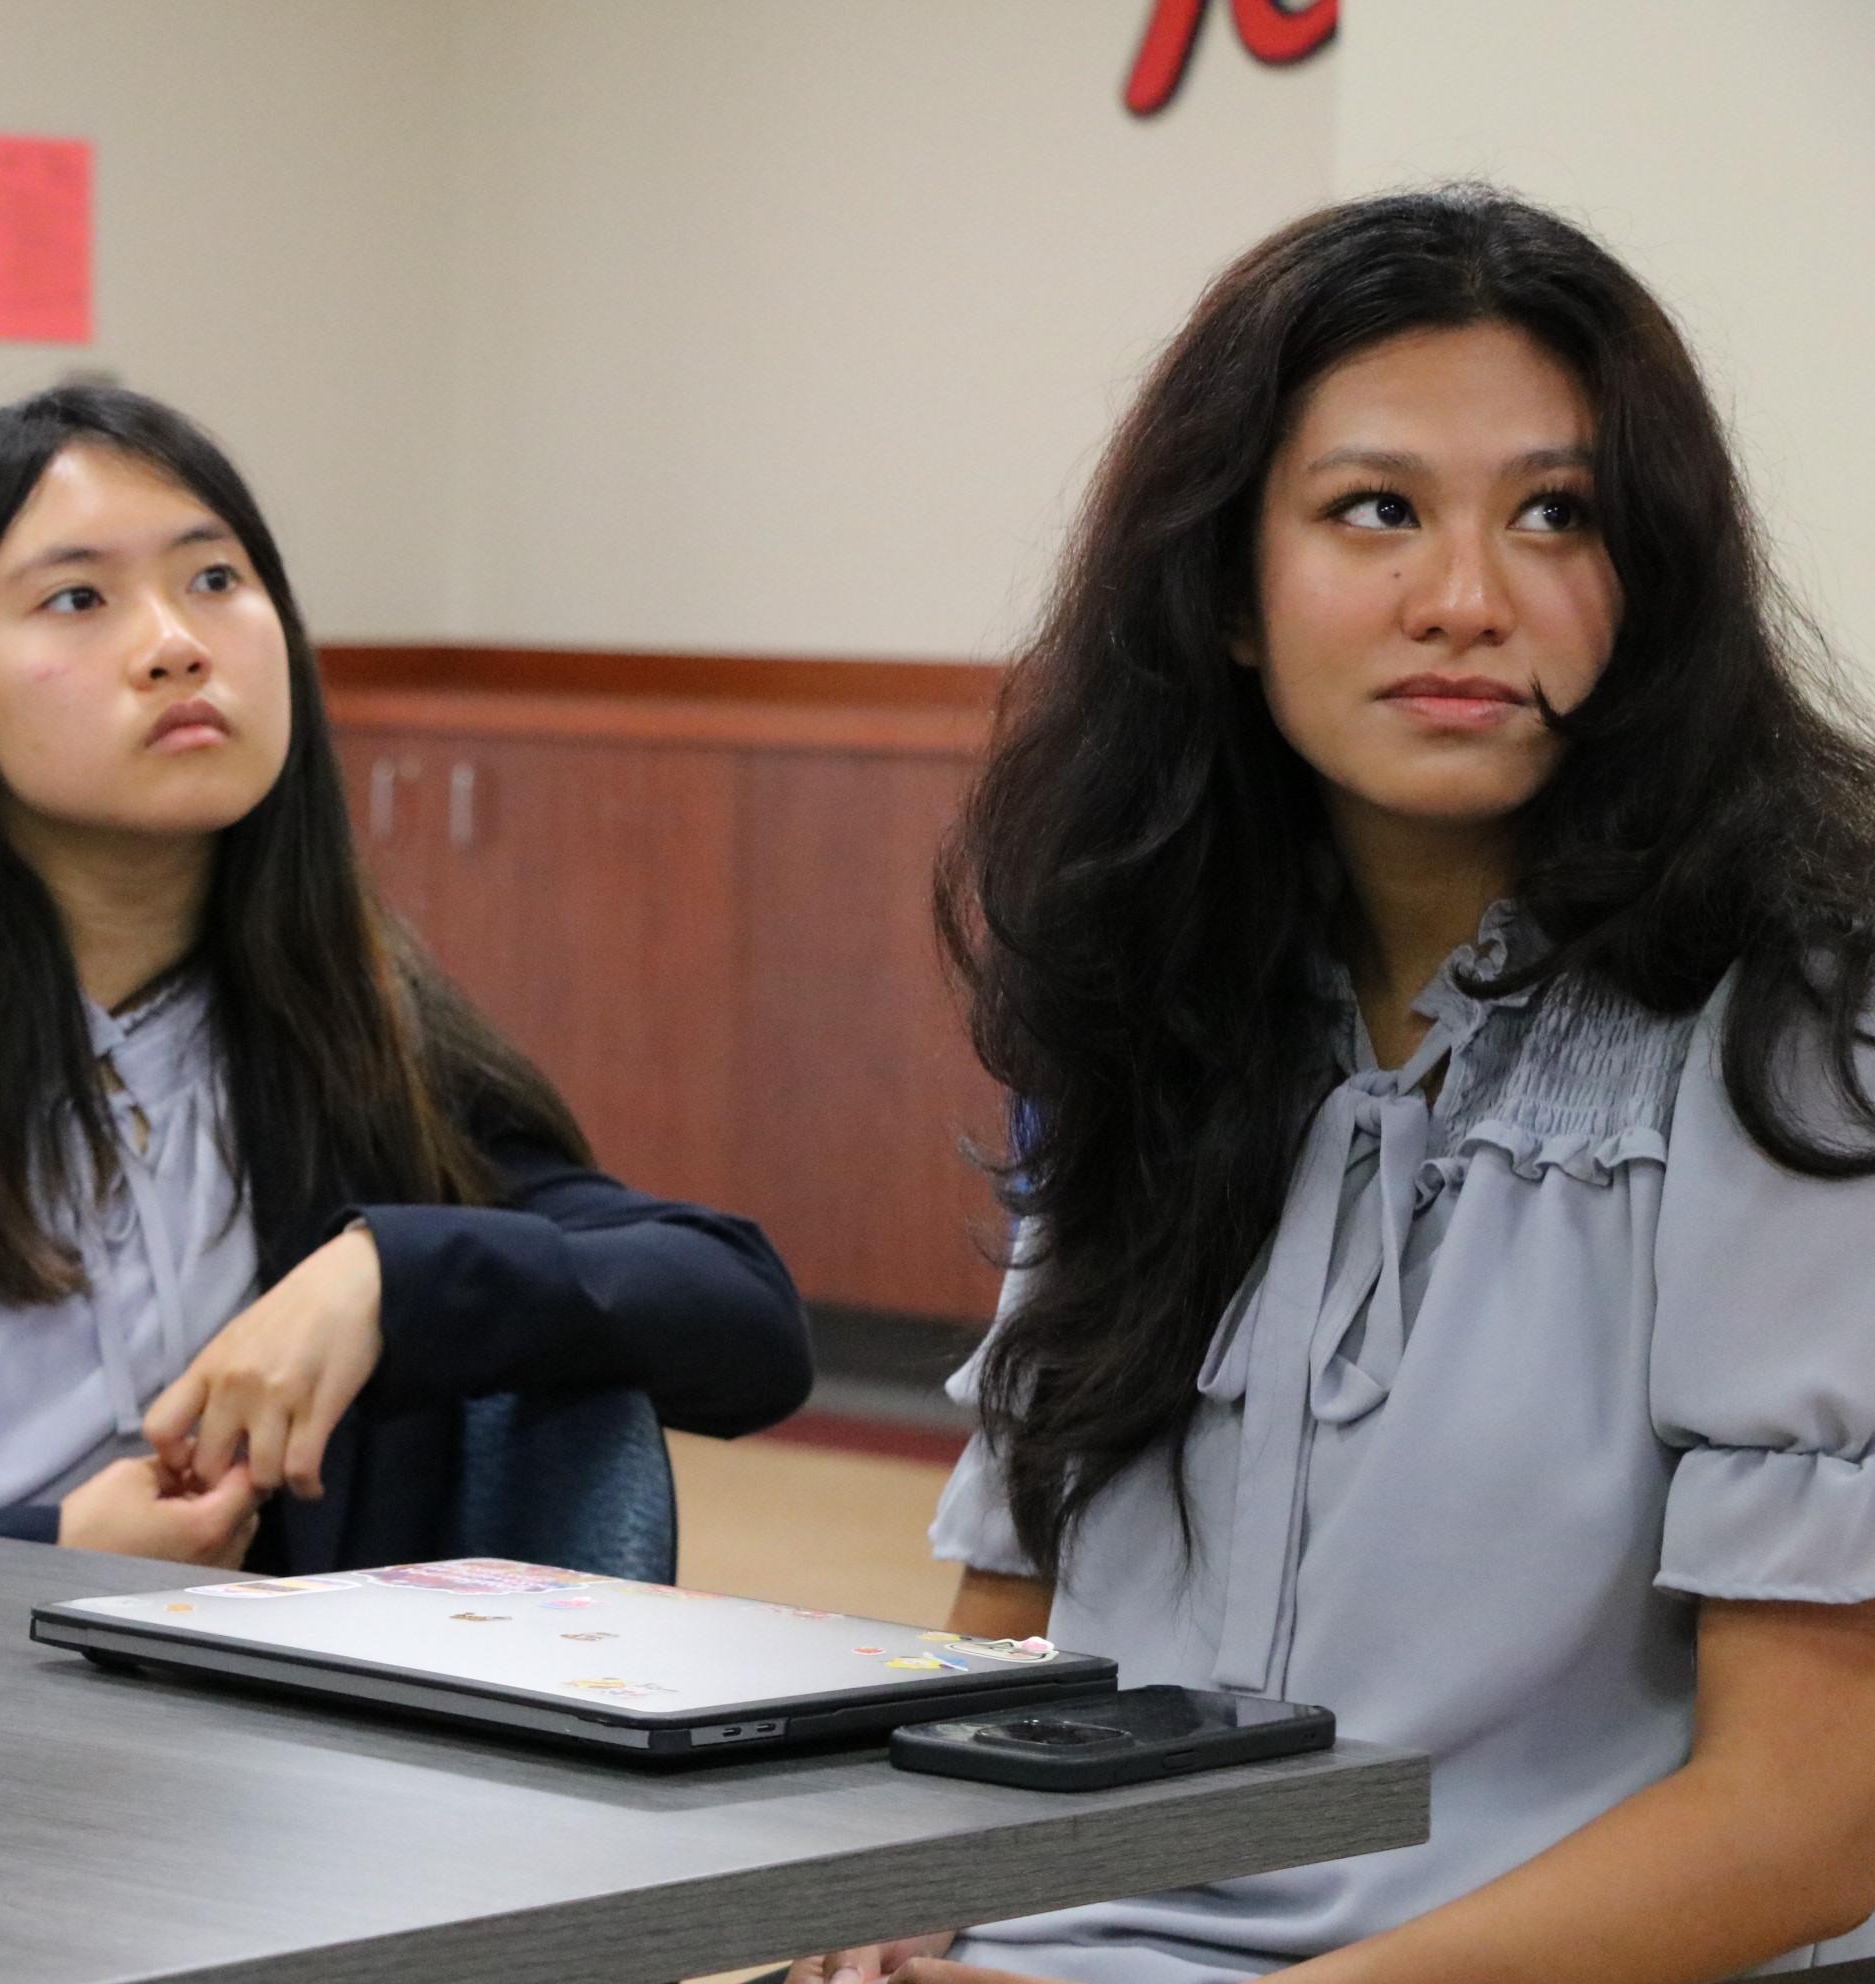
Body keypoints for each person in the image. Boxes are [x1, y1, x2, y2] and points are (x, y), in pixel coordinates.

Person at [793, 186, 1875, 1983]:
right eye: (1375, 510)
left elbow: (1808, 1819)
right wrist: (878, 1908)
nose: (1464, 598)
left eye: (1557, 514)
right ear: (1227, 585)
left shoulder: (1795, 1028)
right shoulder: (1162, 981)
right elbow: (1014, 1608)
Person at [0, 384, 812, 1567]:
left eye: (216, 581)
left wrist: (382, 1274)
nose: (177, 644)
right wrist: (24, 1551)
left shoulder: (344, 1035)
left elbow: (742, 1319)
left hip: (242, 1761)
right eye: (78, 598)